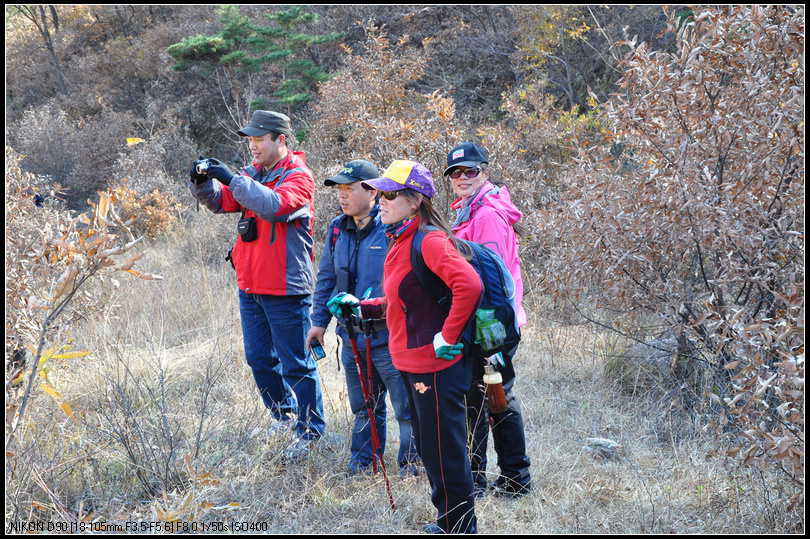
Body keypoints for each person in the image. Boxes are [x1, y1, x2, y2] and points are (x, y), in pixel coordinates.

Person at [330, 160, 481, 534]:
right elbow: (405, 300)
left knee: (442, 450)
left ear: (415, 201)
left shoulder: (428, 240)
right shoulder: (402, 240)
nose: (381, 200)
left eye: (391, 194)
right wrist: (364, 307)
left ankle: (459, 527)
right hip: (412, 363)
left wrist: (447, 335)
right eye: (380, 192)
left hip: (435, 366)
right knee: (432, 448)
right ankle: (449, 521)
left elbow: (470, 286)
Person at [188, 110, 325, 460]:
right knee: (259, 358)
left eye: (259, 139)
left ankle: (311, 431)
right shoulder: (253, 173)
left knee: (296, 363)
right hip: (251, 285)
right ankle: (283, 415)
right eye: (249, 140)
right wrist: (203, 181)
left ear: (281, 140)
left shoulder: (299, 177)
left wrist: (230, 177)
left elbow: (274, 206)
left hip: (286, 287)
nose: (252, 146)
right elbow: (221, 202)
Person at [307, 159, 419, 476]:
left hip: (390, 337)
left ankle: (412, 466)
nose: (341, 196)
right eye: (338, 189)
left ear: (372, 192)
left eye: (349, 188)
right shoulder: (337, 229)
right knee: (364, 406)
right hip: (351, 337)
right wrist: (319, 323)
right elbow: (326, 279)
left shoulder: (391, 227)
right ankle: (363, 462)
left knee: (407, 408)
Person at [444, 142, 532, 497]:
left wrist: (485, 335)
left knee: (495, 397)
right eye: (455, 173)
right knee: (480, 399)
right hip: (482, 323)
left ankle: (513, 478)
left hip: (490, 324)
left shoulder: (486, 215)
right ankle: (480, 477)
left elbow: (491, 281)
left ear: (485, 172)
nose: (463, 178)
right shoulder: (469, 210)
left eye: (471, 171)